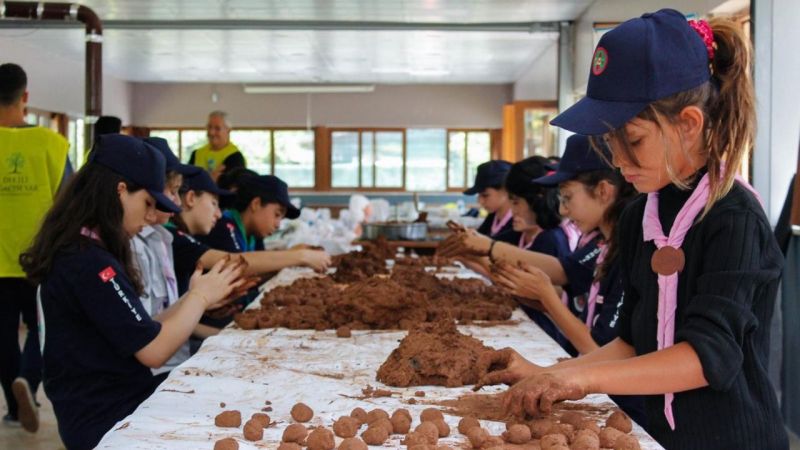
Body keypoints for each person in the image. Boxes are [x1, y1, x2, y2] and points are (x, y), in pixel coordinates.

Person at [498, 10, 788, 449]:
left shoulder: (733, 218)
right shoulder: (639, 216)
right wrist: (550, 374)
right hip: (658, 435)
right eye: (608, 143)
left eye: (632, 140)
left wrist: (580, 381)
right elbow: (632, 343)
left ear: (689, 124)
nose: (617, 160)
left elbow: (707, 359)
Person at [19, 134, 244, 449]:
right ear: (121, 191)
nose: (152, 217)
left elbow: (140, 327)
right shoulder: (90, 263)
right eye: (147, 204)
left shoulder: (90, 251)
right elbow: (153, 350)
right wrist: (200, 298)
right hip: (104, 417)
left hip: (121, 398)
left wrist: (188, 299)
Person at [478, 136, 643, 425]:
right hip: (591, 377)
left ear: (604, 190)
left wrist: (547, 298)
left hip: (620, 399)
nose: (563, 211)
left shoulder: (626, 250)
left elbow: (605, 351)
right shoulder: (599, 241)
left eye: (567, 197)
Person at [0, 62, 70, 432]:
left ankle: (13, 407)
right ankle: (28, 379)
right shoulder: (53, 145)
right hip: (40, 259)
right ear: (25, 97)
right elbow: (69, 204)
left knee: (3, 336)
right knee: (42, 329)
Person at [131, 137, 203, 374]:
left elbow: (160, 316)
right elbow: (146, 337)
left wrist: (198, 296)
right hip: (153, 373)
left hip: (174, 362)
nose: (176, 202)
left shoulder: (161, 238)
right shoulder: (131, 246)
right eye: (171, 191)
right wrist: (200, 298)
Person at [464, 160, 517, 244]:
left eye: (485, 195)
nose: (480, 201)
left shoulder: (517, 222)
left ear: (505, 190)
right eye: (479, 195)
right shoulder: (493, 216)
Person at [188, 111, 246, 182]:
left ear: (228, 130)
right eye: (209, 127)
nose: (211, 132)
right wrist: (209, 179)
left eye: (217, 128)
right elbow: (186, 182)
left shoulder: (235, 158)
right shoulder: (196, 154)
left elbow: (233, 189)